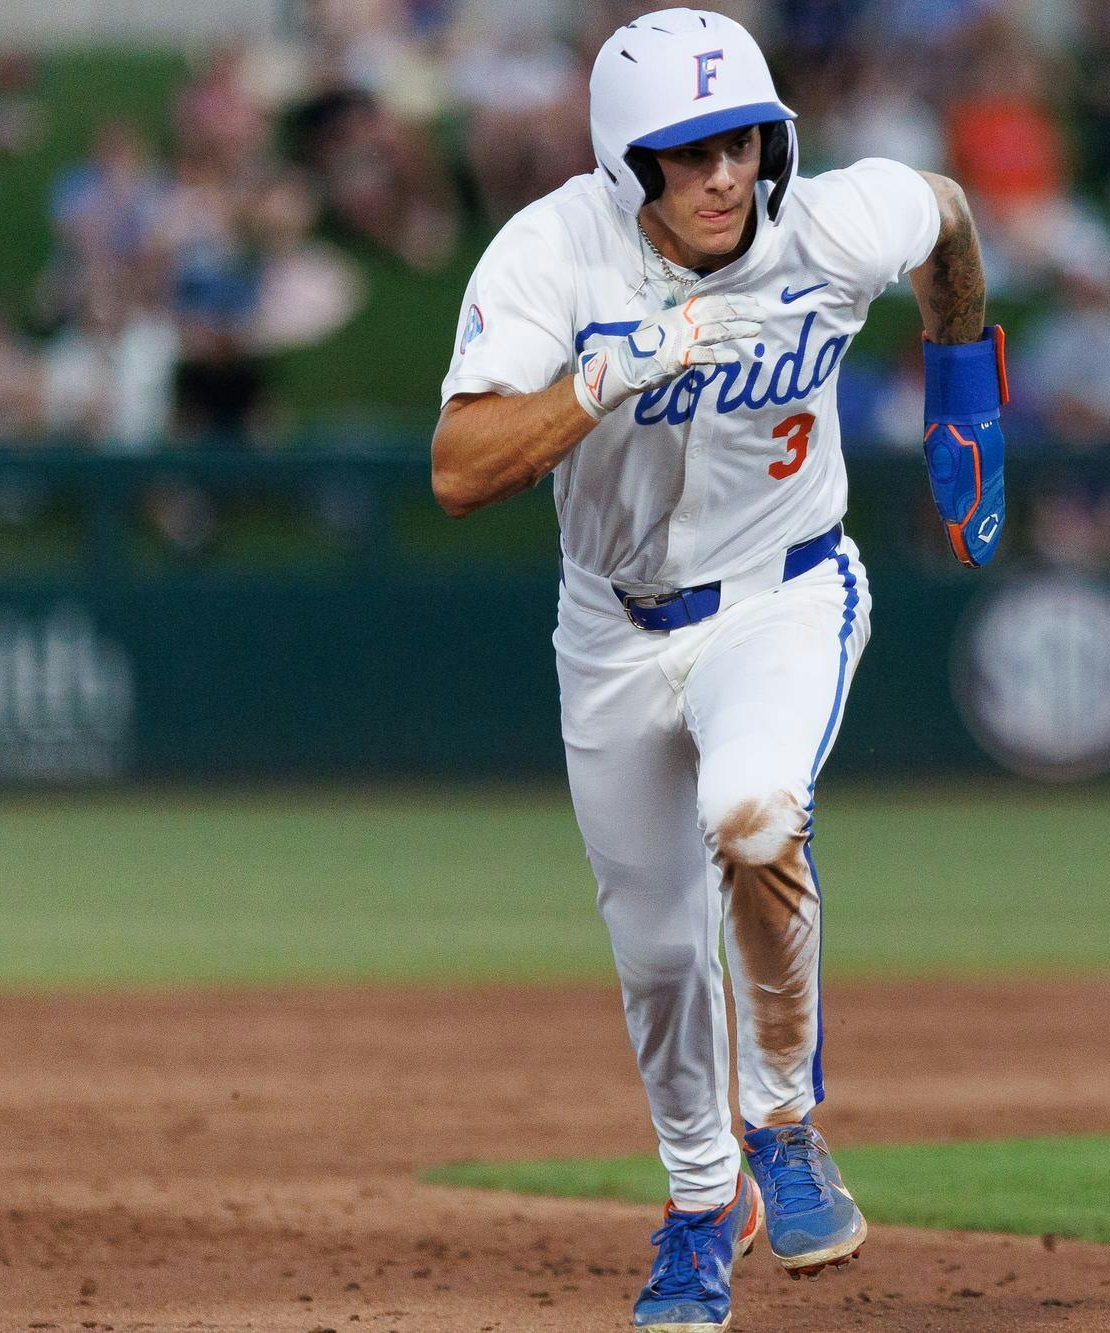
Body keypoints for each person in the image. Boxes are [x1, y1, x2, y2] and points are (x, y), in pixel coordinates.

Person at [429, 11, 1005, 1331]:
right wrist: (594, 382)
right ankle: (704, 1205)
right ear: (627, 166)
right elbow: (460, 468)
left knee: (754, 815)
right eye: (683, 154)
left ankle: (786, 1119)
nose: (721, 176)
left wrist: (966, 392)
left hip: (786, 593)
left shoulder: (829, 224)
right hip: (613, 629)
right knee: (657, 954)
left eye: (739, 141)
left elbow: (947, 218)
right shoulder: (554, 253)